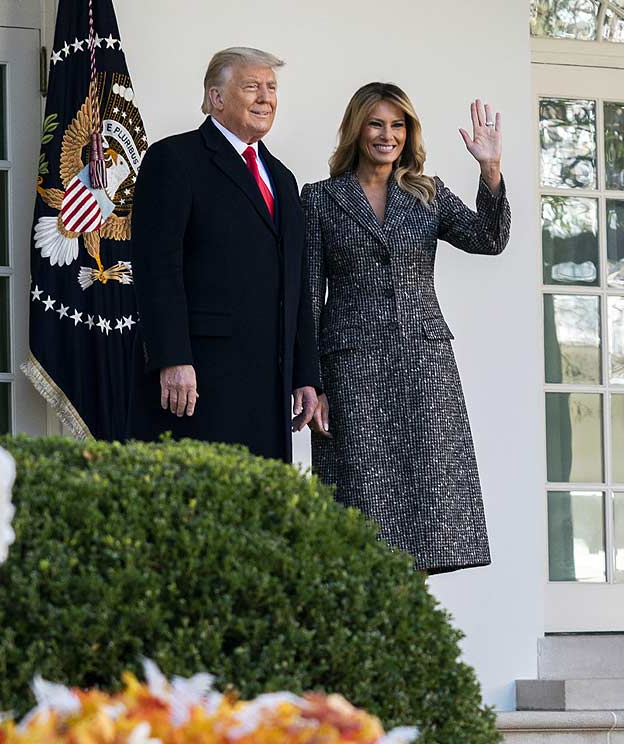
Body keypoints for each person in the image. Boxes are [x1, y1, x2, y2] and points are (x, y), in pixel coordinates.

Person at [303, 83, 510, 574]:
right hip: (353, 370)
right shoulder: (319, 199)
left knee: (427, 510)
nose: (387, 135)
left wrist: (491, 170)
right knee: (360, 510)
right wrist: (314, 382)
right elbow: (310, 298)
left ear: (409, 133)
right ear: (357, 128)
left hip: (424, 366)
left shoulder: (427, 192)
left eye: (398, 125)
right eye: (376, 123)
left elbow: (489, 239)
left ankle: (411, 630)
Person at [129, 47, 319, 462]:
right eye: (252, 87)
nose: (265, 98)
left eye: (271, 88)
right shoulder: (174, 160)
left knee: (261, 511)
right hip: (200, 381)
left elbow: (297, 282)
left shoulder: (283, 179)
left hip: (269, 383)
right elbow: (157, 268)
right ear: (216, 97)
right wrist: (172, 357)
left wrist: (306, 373)